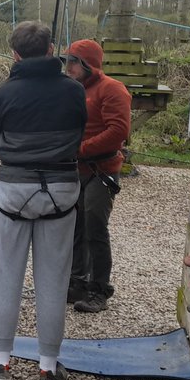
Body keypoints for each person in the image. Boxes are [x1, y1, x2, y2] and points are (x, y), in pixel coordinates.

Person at [0, 21, 86, 380]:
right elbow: (78, 133)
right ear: (52, 49)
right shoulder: (74, 91)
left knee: (7, 277)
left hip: (13, 192)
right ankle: (48, 368)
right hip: (62, 191)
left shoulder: (4, 93)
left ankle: (0, 361)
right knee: (54, 281)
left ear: (15, 54)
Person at [64, 39, 132, 314]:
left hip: (101, 170)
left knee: (94, 226)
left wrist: (79, 150)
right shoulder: (73, 90)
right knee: (74, 226)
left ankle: (99, 289)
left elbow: (118, 132)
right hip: (76, 168)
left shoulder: (112, 90)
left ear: (87, 65)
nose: (67, 67)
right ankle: (78, 281)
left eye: (73, 61)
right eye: (67, 60)